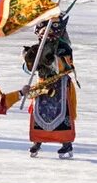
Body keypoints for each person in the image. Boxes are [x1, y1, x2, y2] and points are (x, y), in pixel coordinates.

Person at [26, 16, 76, 157]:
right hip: (42, 84)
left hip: (59, 85)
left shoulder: (64, 47)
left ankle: (66, 144)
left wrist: (52, 60)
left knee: (62, 113)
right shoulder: (37, 46)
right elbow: (29, 68)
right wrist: (28, 59)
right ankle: (37, 141)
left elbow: (68, 65)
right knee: (38, 113)